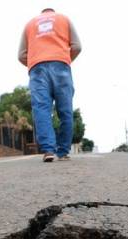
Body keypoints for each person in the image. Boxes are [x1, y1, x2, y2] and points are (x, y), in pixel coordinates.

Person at [18, 8, 82, 162]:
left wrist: (33, 62)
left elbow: (21, 55)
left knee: (41, 109)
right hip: (61, 66)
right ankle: (63, 150)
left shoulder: (29, 24)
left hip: (37, 69)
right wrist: (65, 59)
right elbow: (77, 46)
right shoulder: (64, 19)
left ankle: (48, 150)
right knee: (65, 109)